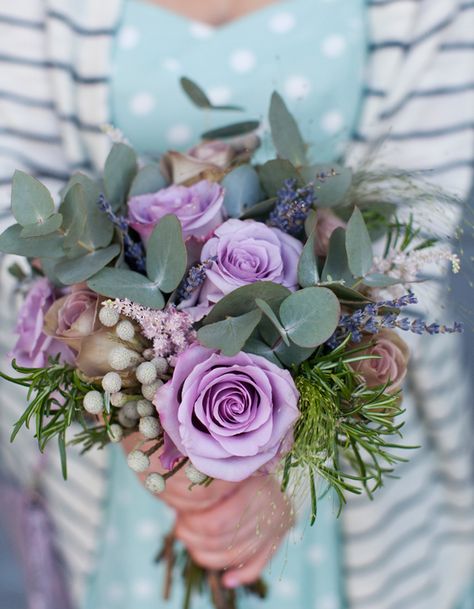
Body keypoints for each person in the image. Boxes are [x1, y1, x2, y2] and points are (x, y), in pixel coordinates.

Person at [0, 1, 473, 608]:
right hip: (117, 484)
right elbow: (17, 236)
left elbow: (415, 260)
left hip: (344, 502)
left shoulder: (422, 12)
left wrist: (278, 476)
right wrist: (159, 445)